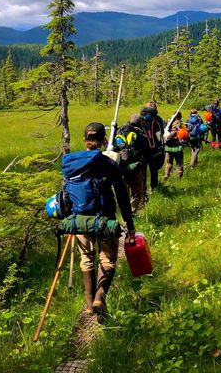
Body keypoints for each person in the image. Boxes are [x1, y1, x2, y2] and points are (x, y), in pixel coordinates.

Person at [61, 122, 135, 317]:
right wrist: (130, 223)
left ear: (85, 140)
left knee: (86, 259)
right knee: (108, 259)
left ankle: (88, 305)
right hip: (104, 219)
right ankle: (99, 298)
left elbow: (66, 194)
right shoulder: (107, 163)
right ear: (103, 140)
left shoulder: (70, 162)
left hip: (79, 219)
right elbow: (122, 195)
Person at [114, 114, 147, 214]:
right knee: (137, 193)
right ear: (140, 123)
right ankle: (131, 213)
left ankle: (124, 212)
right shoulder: (139, 134)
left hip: (120, 166)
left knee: (124, 191)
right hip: (135, 167)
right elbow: (145, 150)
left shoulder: (117, 132)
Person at [139, 100, 165, 192]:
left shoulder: (140, 118)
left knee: (144, 171)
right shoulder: (158, 119)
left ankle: (144, 191)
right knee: (153, 170)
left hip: (143, 150)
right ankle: (153, 189)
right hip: (154, 150)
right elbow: (161, 134)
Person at [163, 111, 187, 180]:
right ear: (180, 117)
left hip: (168, 147)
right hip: (177, 147)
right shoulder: (181, 124)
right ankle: (179, 179)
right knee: (179, 163)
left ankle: (166, 175)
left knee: (169, 162)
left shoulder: (168, 124)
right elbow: (185, 135)